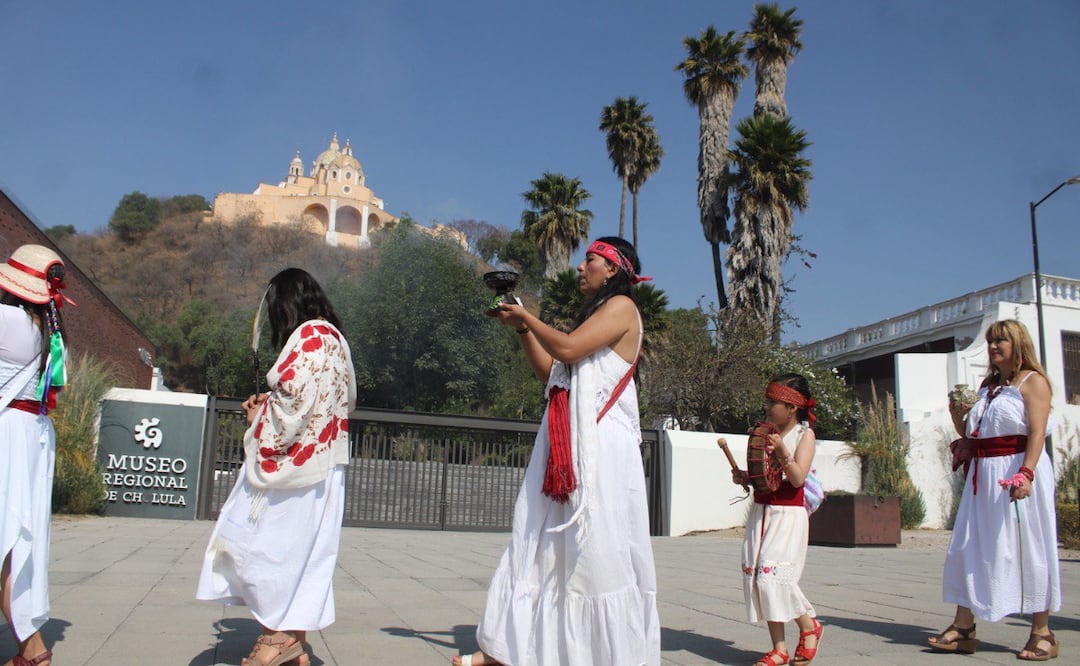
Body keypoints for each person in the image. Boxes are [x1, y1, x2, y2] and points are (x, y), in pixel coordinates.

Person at [454, 237, 660, 666]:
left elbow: (565, 348)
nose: (580, 267)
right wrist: (526, 329)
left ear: (613, 270)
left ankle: (602, 656)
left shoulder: (622, 307)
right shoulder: (595, 316)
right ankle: (513, 649)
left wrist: (529, 314)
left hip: (599, 449)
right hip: (565, 445)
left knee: (594, 551)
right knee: (543, 543)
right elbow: (552, 372)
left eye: (591, 260)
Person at [197, 268, 356, 666]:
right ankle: (293, 643)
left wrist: (259, 416)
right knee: (305, 555)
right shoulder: (337, 340)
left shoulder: (306, 337)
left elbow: (293, 405)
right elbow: (342, 400)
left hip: (296, 473)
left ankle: (274, 640)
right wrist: (274, 404)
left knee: (268, 548)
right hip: (326, 466)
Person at [929, 319, 1061, 661]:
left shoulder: (1034, 383)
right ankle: (964, 627)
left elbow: (1036, 433)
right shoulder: (988, 386)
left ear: (1018, 344)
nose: (993, 347)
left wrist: (1026, 473)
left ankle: (1042, 631)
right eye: (990, 341)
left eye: (1001, 341)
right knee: (970, 545)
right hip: (983, 477)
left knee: (1027, 546)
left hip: (1017, 470)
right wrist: (957, 414)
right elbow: (974, 432)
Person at [0, 244, 73, 666]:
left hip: (9, 434)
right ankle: (32, 649)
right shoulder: (45, 327)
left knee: (9, 543)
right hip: (32, 434)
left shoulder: (9, 321)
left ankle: (33, 651)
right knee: (16, 542)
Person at [732, 373, 823, 666]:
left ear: (792, 407)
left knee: (773, 577)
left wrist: (783, 451)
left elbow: (796, 479)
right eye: (768, 402)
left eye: (775, 402)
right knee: (759, 578)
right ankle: (779, 648)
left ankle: (809, 627)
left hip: (787, 514)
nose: (768, 407)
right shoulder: (766, 432)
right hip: (761, 512)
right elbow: (766, 477)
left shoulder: (803, 436)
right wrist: (745, 476)